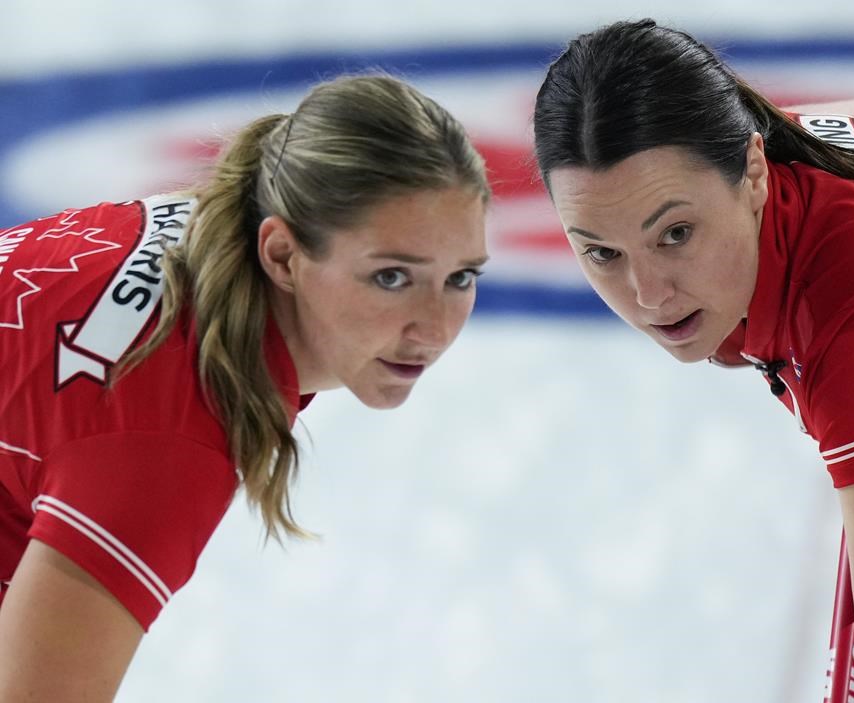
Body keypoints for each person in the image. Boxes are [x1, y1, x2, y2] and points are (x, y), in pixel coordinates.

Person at [533, 19, 854, 703]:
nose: (648, 295)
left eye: (675, 235)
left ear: (754, 171)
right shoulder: (776, 149)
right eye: (601, 254)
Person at [0, 73, 490, 700]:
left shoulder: (201, 233)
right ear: (282, 255)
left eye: (462, 276)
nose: (436, 328)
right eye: (391, 277)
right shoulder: (168, 439)